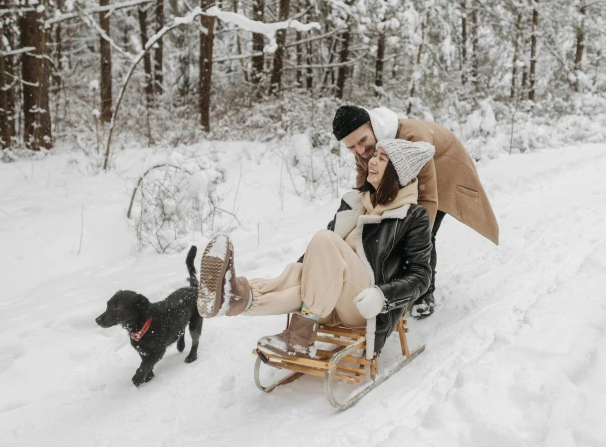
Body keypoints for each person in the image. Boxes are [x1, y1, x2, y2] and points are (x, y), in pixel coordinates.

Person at [196, 139, 435, 360]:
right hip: (330, 298)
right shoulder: (355, 203)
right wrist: (299, 271)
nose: (372, 160)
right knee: (299, 277)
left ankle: (300, 336)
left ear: (397, 173)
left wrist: (383, 297)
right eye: (376, 155)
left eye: (382, 159)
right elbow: (321, 257)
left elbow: (421, 275)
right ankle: (236, 297)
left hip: (365, 305)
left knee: (324, 239)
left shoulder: (412, 216)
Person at [332, 105, 499, 319]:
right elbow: (364, 189)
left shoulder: (412, 137)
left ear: (373, 126)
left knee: (421, 231)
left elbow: (428, 196)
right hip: (409, 170)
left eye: (362, 141)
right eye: (351, 148)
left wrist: (421, 236)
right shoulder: (363, 148)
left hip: (444, 167)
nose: (360, 151)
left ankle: (424, 293)